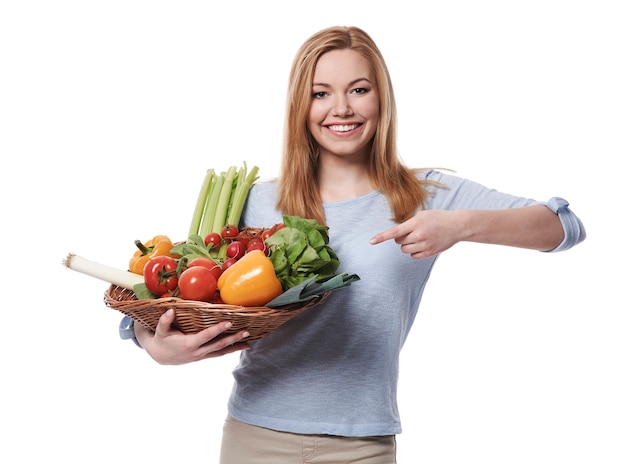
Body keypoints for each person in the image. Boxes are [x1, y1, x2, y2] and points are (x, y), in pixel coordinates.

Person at [120, 26, 586, 463]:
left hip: (364, 444)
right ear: (301, 107)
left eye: (358, 90)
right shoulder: (259, 202)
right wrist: (149, 341)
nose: (340, 109)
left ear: (382, 98)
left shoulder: (428, 196)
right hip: (254, 436)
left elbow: (562, 226)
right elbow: (167, 291)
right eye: (321, 94)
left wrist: (458, 225)